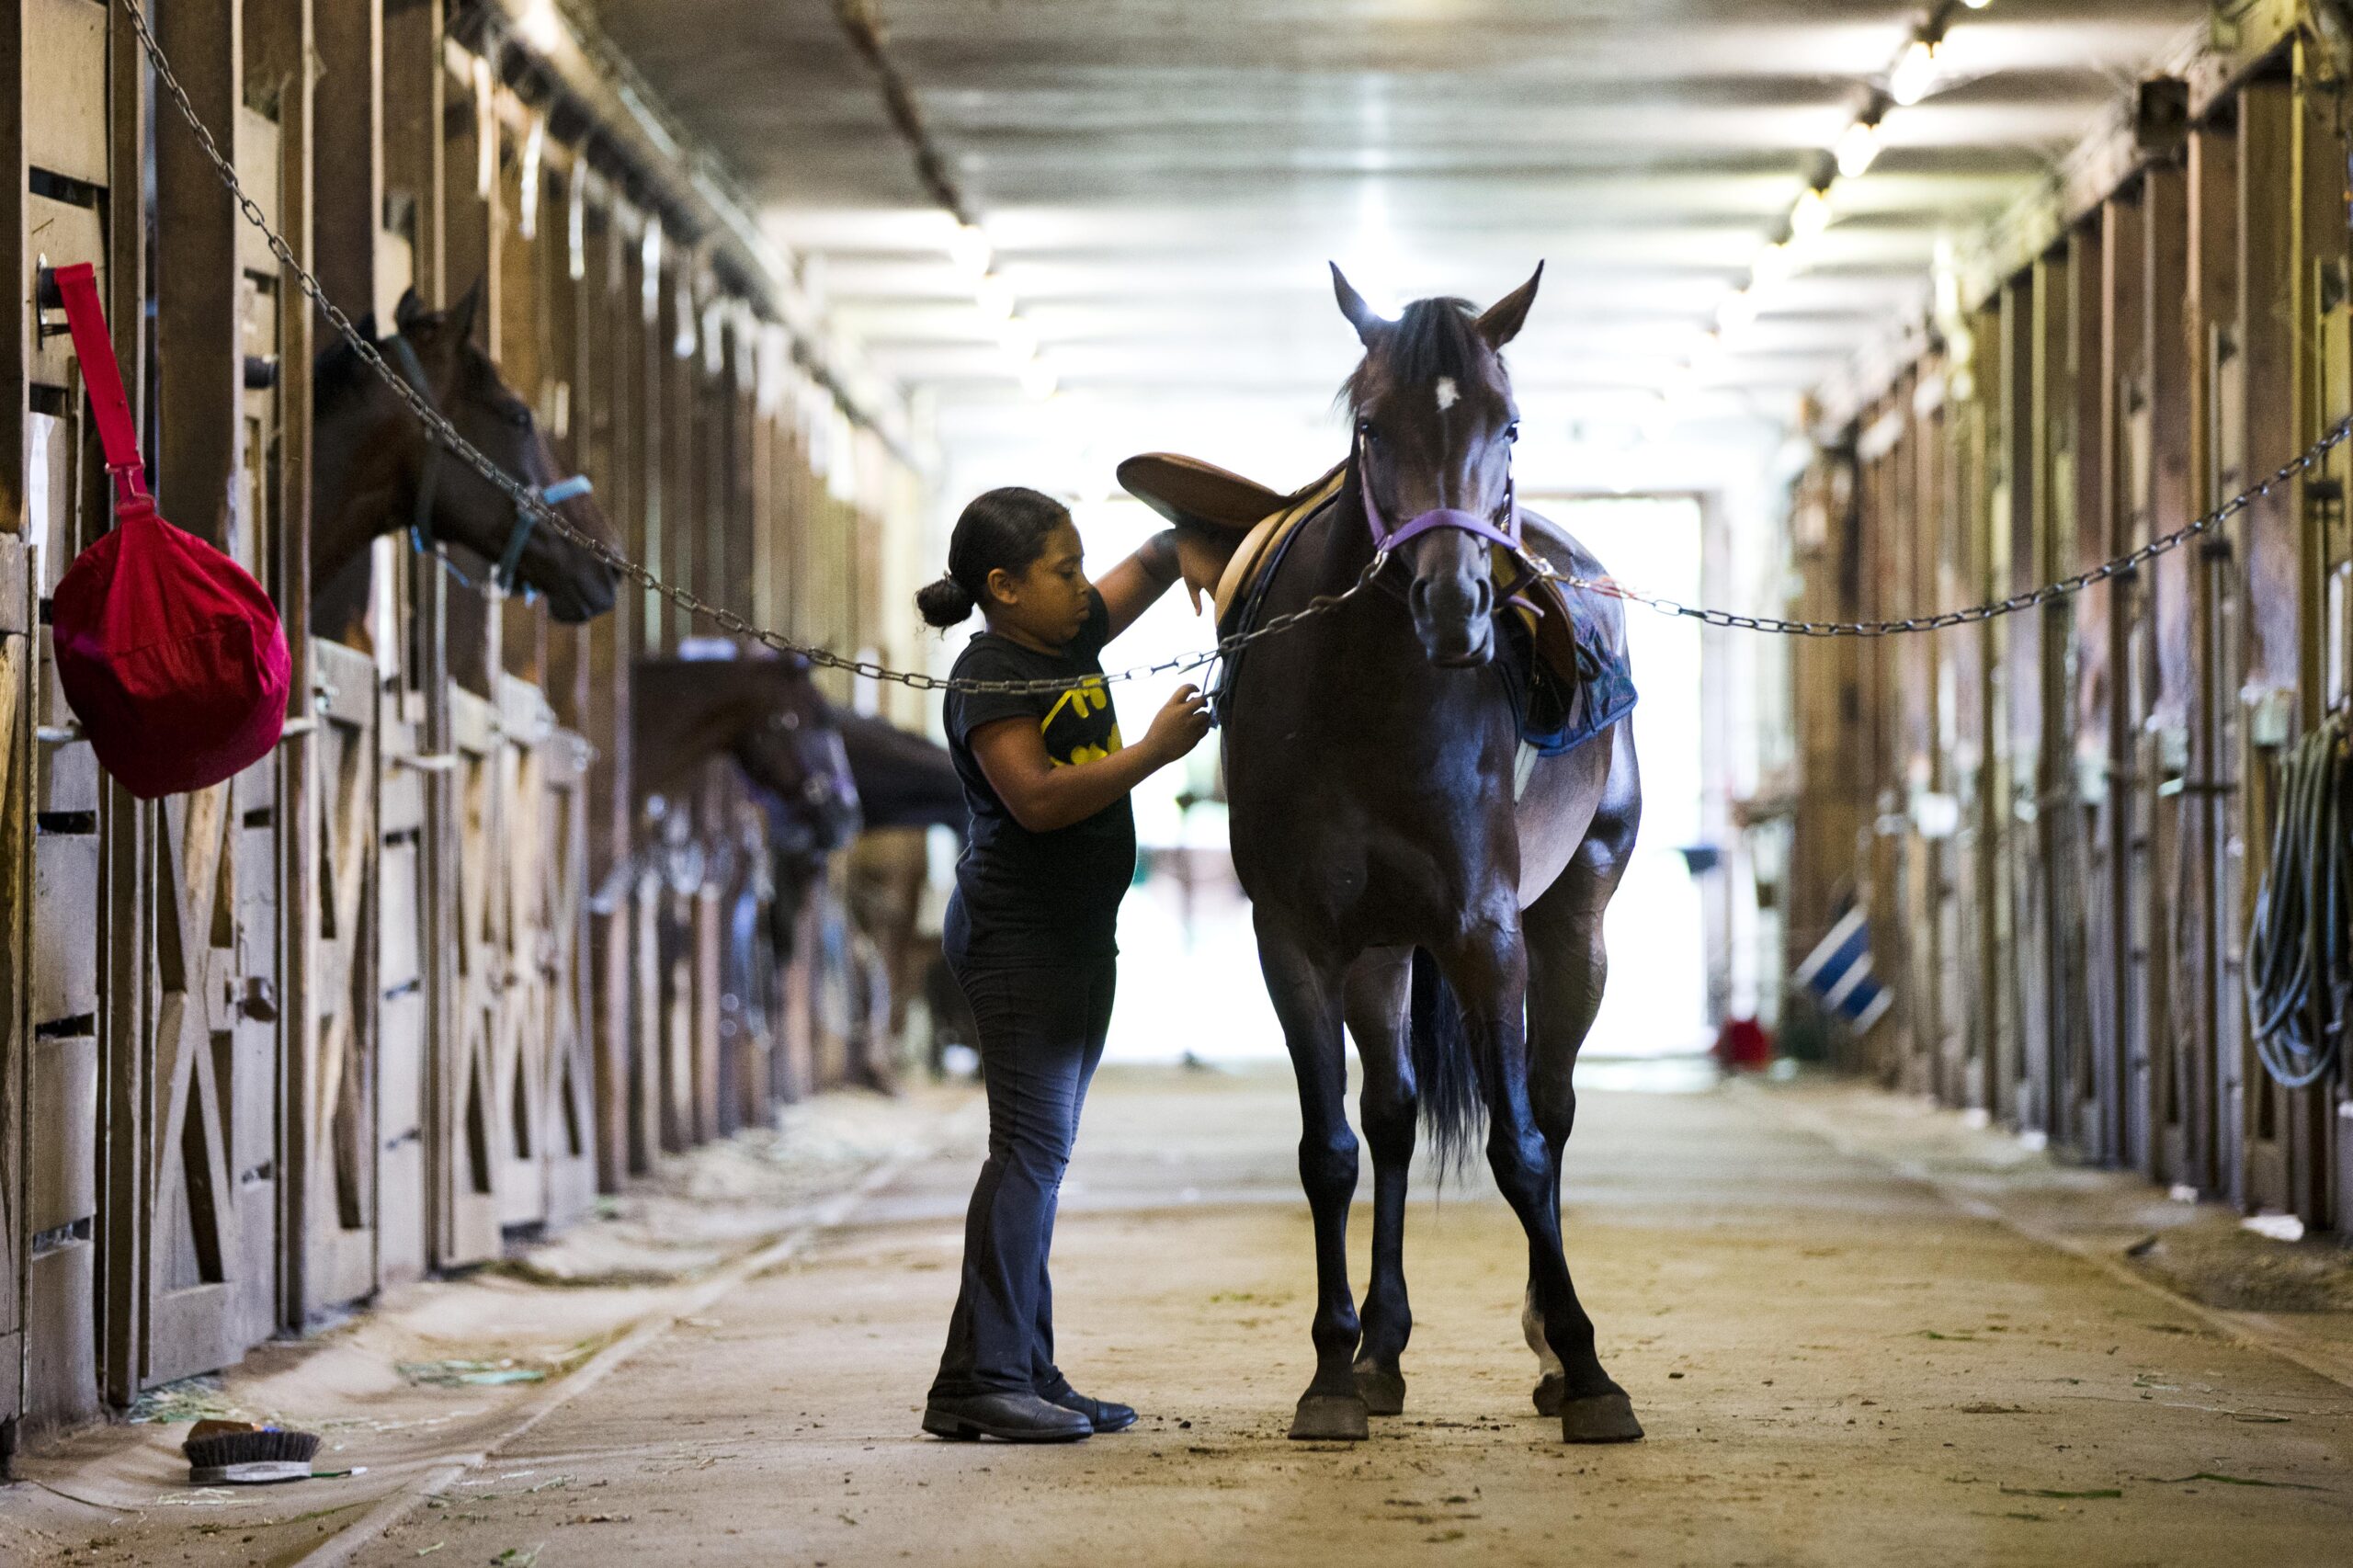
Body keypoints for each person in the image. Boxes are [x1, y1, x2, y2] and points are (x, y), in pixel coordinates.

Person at [915, 486, 1219, 1443]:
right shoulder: (992, 673)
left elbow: (1165, 551)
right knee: (1028, 1157)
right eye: (1063, 570)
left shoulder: (1062, 636)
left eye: (1084, 563)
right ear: (1003, 587)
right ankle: (985, 1379)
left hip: (1076, 937)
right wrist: (1154, 752)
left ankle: (1010, 1370)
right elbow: (1039, 799)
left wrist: (1200, 551)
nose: (1085, 588)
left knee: (1038, 1160)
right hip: (1018, 943)